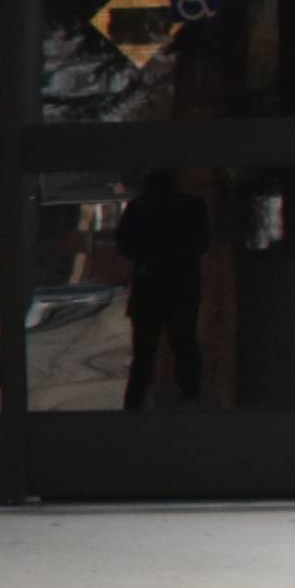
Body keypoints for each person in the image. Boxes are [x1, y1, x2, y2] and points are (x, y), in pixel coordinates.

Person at [116, 168, 213, 410]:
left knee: (144, 353)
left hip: (149, 288)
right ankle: (191, 397)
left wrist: (150, 253)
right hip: (181, 288)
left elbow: (125, 246)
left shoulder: (139, 207)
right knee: (185, 345)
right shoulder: (192, 206)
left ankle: (134, 403)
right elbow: (203, 243)